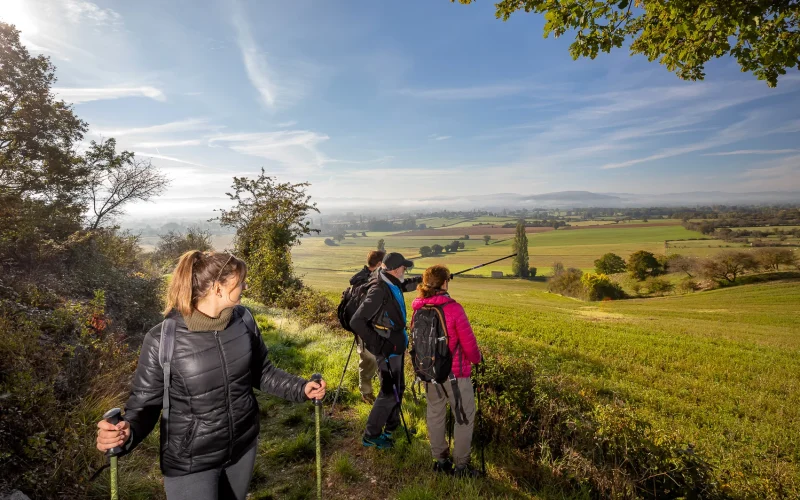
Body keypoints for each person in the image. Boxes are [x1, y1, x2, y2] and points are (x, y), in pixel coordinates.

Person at [95, 251, 326, 500]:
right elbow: (145, 405)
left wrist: (301, 388)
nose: (245, 286)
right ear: (217, 288)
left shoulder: (244, 319)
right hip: (190, 462)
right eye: (241, 282)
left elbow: (262, 372)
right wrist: (124, 434)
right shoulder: (162, 338)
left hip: (243, 447)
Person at [412, 265, 482, 477]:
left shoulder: (418, 308)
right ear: (445, 283)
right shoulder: (453, 308)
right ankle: (461, 466)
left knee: (435, 415)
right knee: (464, 418)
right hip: (455, 375)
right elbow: (469, 346)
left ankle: (440, 460)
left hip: (429, 374)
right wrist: (477, 360)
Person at [350, 252, 421, 449]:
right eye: (404, 268)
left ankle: (391, 427)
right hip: (387, 349)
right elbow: (356, 321)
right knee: (389, 392)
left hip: (395, 346)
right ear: (396, 269)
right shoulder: (379, 289)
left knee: (399, 388)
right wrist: (379, 345)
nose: (405, 271)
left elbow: (405, 285)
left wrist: (426, 280)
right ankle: (371, 435)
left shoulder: (390, 281)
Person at [348, 250, 385, 404]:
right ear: (378, 264)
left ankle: (385, 390)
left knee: (377, 359)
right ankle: (366, 393)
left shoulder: (362, 277)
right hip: (364, 327)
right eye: (383, 264)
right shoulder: (365, 280)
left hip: (372, 327)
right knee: (369, 360)